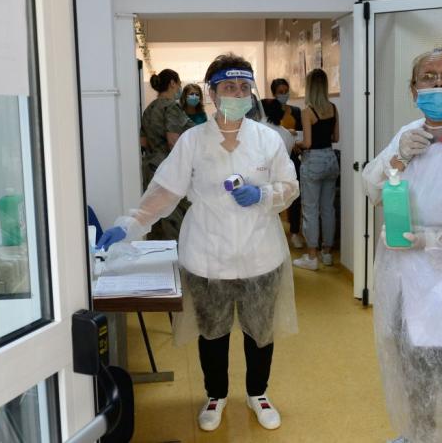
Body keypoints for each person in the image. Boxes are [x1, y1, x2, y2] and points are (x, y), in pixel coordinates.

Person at [98, 53, 299, 433]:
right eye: (229, 86)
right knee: (213, 332)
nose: (237, 93)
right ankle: (215, 395)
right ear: (213, 92)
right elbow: (164, 192)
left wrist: (263, 194)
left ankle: (258, 393)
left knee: (260, 332)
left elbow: (290, 187)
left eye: (244, 87)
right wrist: (130, 225)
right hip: (208, 253)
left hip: (261, 253)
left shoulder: (267, 139)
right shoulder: (192, 140)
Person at [361, 47, 442, 443]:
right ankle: (417, 436)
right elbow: (373, 189)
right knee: (413, 367)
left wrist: (432, 240)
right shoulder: (409, 133)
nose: (438, 83)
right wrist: (397, 158)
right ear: (413, 89)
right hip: (407, 278)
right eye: (428, 76)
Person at [292, 69, 339, 270]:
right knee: (328, 209)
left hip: (313, 162)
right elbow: (336, 138)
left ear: (310, 87)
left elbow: (308, 143)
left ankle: (311, 257)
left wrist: (297, 144)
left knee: (310, 210)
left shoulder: (307, 112)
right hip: (331, 159)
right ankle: (326, 253)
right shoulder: (333, 108)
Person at [140, 68, 194, 240]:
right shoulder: (171, 107)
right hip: (168, 167)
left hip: (150, 167)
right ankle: (178, 254)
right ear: (172, 83)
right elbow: (173, 140)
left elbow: (143, 141)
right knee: (175, 218)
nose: (179, 88)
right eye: (178, 84)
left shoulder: (149, 108)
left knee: (155, 217)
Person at [270, 78, 304, 248]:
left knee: (295, 195)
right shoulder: (269, 112)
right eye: (280, 92)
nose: (284, 95)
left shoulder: (296, 111)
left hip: (292, 157)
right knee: (274, 194)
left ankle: (295, 232)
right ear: (274, 94)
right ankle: (274, 233)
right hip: (274, 160)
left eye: (286, 91)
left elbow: (302, 133)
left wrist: (296, 141)